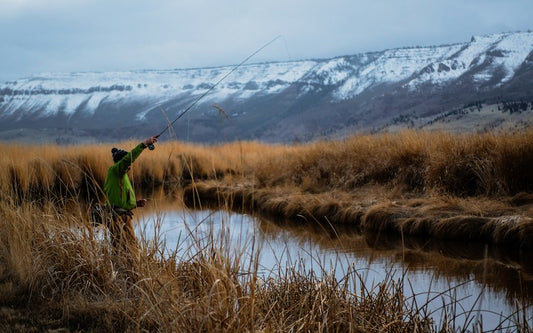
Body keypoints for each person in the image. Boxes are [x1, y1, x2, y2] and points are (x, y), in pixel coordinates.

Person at [103, 135, 158, 271]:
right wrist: (144, 144)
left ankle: (124, 272)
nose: (129, 166)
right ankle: (133, 272)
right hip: (118, 218)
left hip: (122, 216)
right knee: (129, 248)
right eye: (127, 163)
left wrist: (135, 204)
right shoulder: (115, 170)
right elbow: (128, 159)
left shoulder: (120, 176)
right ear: (121, 162)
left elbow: (118, 198)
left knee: (121, 248)